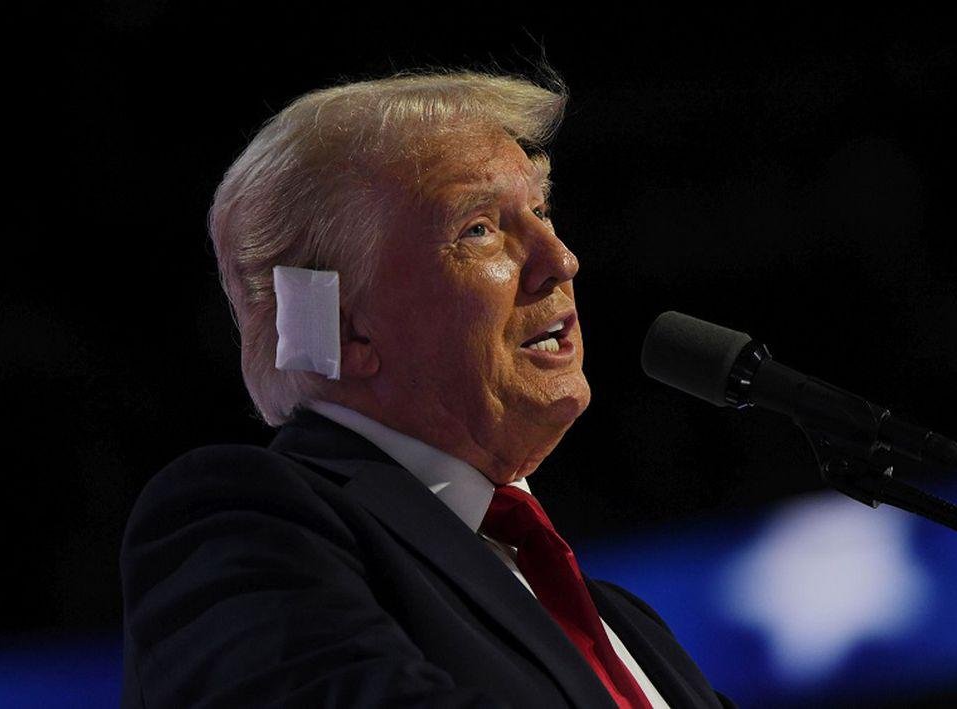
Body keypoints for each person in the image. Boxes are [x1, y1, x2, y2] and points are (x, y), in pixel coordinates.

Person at [120, 69, 732, 708]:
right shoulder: (238, 522)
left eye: (541, 212)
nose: (560, 260)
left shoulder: (634, 632)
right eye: (479, 228)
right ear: (345, 326)